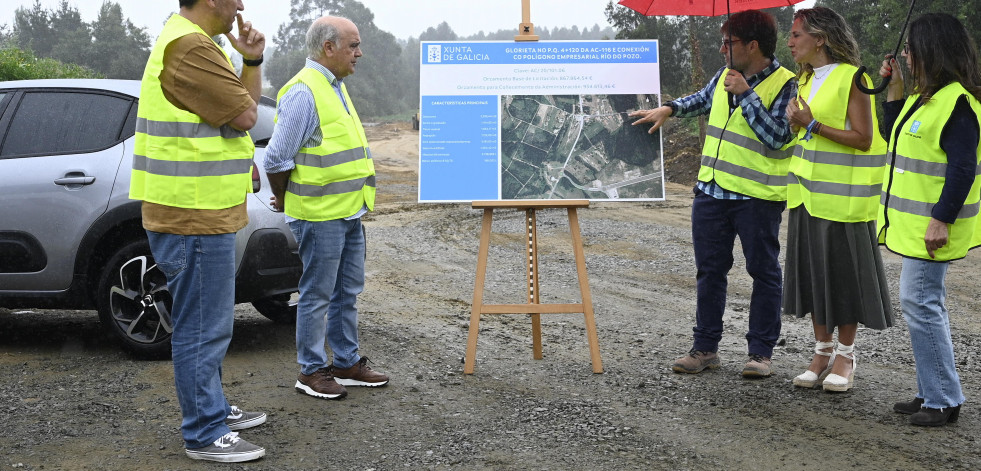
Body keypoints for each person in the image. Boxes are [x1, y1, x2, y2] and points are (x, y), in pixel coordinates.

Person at [129, 0, 267, 463]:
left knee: (209, 322)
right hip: (191, 211)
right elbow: (247, 117)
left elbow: (240, 108)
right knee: (202, 326)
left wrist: (250, 61)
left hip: (202, 208)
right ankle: (204, 431)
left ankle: (214, 409)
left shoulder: (198, 44)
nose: (241, 5)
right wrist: (245, 74)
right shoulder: (190, 47)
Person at [630, 10, 797, 378]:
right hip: (711, 193)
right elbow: (702, 99)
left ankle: (760, 354)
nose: (722, 50)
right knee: (709, 272)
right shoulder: (724, 75)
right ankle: (705, 349)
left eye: (729, 43)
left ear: (752, 46)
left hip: (757, 198)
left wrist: (748, 94)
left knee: (764, 273)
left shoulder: (787, 83)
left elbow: (778, 138)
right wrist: (670, 108)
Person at [264, 16, 389, 401]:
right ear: (328, 48)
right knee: (317, 294)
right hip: (319, 216)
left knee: (346, 291)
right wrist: (284, 199)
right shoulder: (305, 91)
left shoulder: (333, 86)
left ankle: (346, 363)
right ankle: (312, 370)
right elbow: (275, 158)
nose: (359, 52)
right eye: (352, 45)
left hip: (348, 211)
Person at [878, 13, 981, 426]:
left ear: (930, 50)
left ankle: (943, 400)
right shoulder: (929, 99)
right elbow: (895, 139)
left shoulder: (957, 103)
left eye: (909, 49)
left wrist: (941, 219)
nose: (905, 54)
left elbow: (962, 168)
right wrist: (896, 90)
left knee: (920, 303)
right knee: (923, 304)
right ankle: (931, 391)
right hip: (917, 228)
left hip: (931, 230)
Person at [782, 7, 892, 393]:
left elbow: (863, 138)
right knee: (815, 277)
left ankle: (845, 355)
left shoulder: (853, 78)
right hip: (806, 199)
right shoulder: (805, 80)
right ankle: (821, 351)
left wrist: (811, 123)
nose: (790, 41)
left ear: (821, 38)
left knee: (843, 279)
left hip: (843, 202)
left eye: (797, 35)